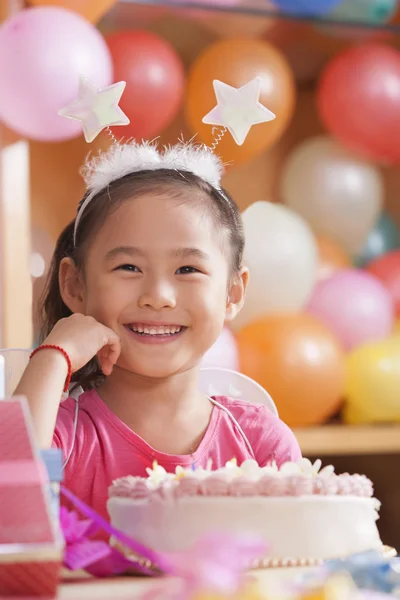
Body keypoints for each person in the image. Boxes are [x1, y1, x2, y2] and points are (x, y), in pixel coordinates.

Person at [16, 141, 301, 522]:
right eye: (129, 267)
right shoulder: (61, 434)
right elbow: (10, 497)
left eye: (187, 270)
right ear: (75, 285)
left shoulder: (260, 442)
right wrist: (54, 357)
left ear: (233, 293)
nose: (158, 297)